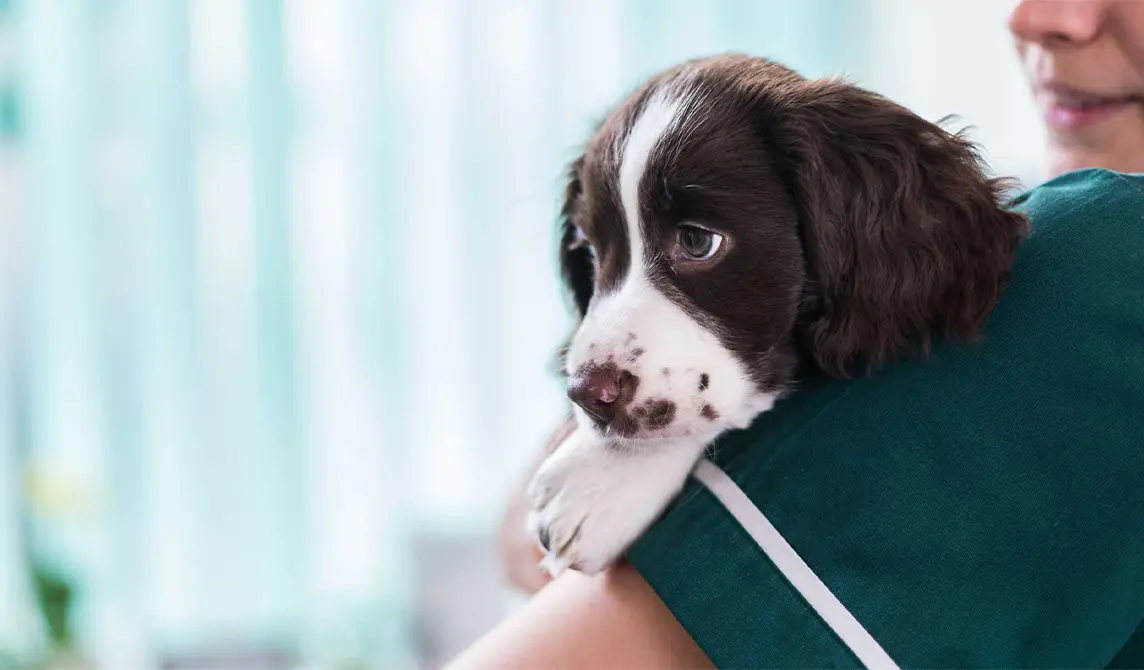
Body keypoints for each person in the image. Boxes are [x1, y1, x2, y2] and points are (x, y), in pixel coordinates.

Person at [450, 1, 1144, 667]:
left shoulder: (1102, 261)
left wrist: (660, 456)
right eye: (598, 256)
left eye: (696, 240)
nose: (1032, 14)